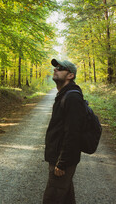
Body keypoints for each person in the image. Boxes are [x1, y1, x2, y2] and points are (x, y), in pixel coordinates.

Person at [43, 59, 86, 204]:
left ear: (70, 75)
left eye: (60, 68)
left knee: (52, 199)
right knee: (66, 198)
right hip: (59, 157)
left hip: (62, 161)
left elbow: (73, 133)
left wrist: (62, 163)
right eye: (56, 67)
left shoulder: (72, 97)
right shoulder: (64, 95)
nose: (55, 69)